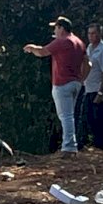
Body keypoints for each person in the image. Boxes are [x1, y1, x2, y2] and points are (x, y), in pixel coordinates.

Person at [23, 16, 88, 157]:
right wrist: (82, 79)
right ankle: (71, 145)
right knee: (70, 115)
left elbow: (42, 52)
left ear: (61, 28)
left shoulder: (62, 41)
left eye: (56, 28)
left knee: (66, 116)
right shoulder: (79, 42)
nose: (54, 31)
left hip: (62, 83)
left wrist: (31, 48)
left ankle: (69, 147)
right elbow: (88, 64)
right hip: (76, 83)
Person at [81, 23, 103, 150]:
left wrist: (101, 91)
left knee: (100, 118)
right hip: (88, 88)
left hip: (98, 89)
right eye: (89, 33)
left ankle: (101, 145)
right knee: (88, 117)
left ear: (100, 34)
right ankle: (91, 143)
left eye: (93, 33)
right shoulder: (89, 48)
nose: (91, 36)